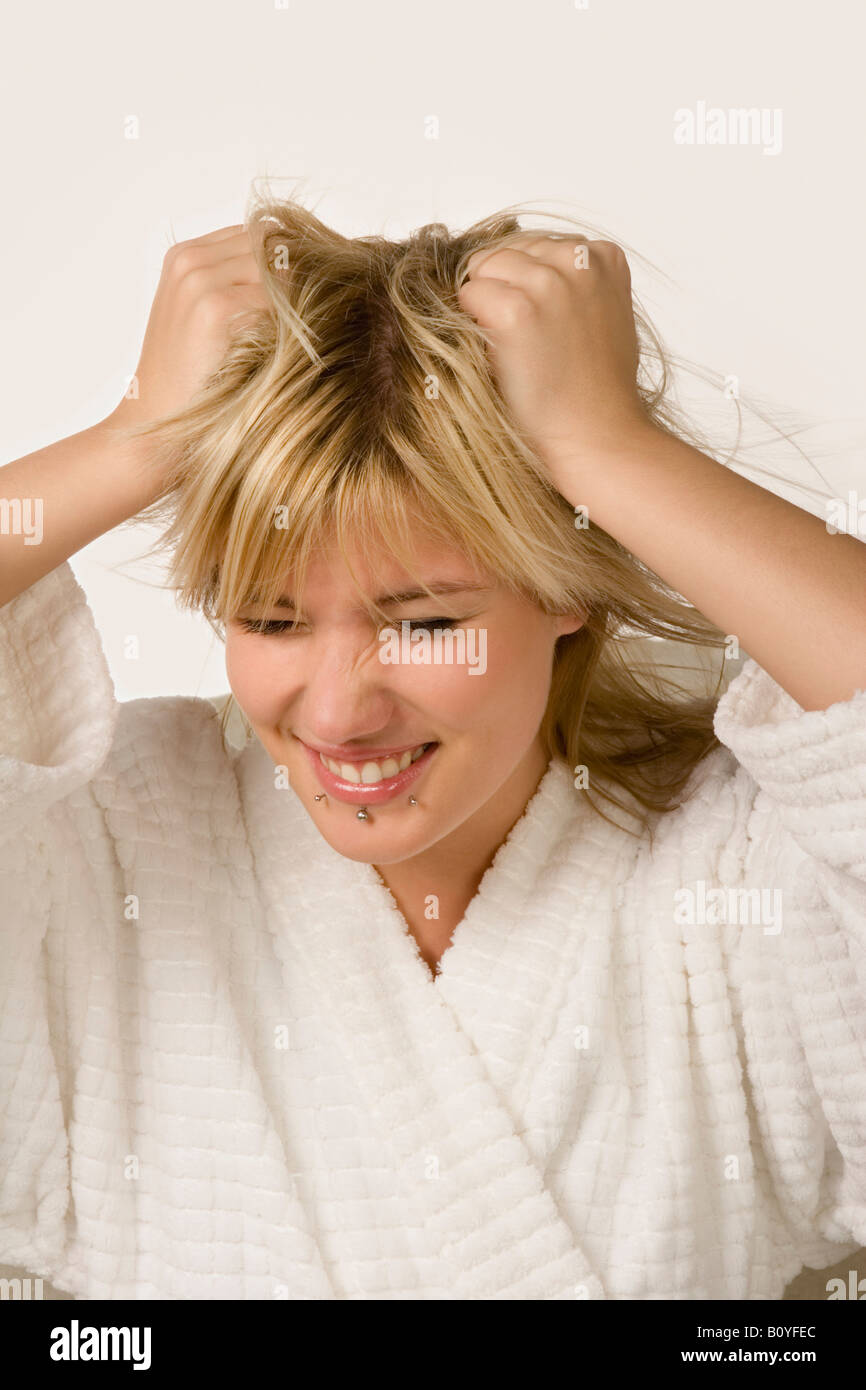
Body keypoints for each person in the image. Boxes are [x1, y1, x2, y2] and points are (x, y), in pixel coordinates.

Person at [1, 194, 864, 1300]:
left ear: (566, 593)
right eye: (270, 620)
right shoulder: (116, 851)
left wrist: (605, 450)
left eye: (423, 621)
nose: (335, 713)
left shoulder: (727, 890)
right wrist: (128, 440)